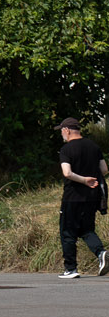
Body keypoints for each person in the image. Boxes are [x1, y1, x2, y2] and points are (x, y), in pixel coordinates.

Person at [55, 117, 108, 279]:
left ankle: (70, 269)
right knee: (86, 230)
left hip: (73, 197)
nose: (62, 135)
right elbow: (104, 169)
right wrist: (92, 178)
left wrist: (84, 180)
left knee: (68, 232)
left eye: (62, 131)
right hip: (92, 197)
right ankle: (101, 253)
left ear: (67, 130)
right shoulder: (93, 146)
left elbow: (67, 173)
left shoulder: (66, 149)